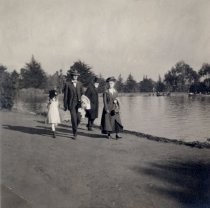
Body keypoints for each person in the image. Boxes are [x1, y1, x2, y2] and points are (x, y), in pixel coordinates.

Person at [63, 69, 84, 140]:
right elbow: (65, 96)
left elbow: (82, 94)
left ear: (78, 76)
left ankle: (75, 127)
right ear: (72, 76)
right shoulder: (67, 84)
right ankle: (75, 133)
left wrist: (83, 102)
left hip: (79, 104)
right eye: (74, 75)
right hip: (71, 104)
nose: (75, 77)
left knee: (78, 119)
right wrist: (65, 105)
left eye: (76, 76)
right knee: (74, 119)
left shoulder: (80, 84)